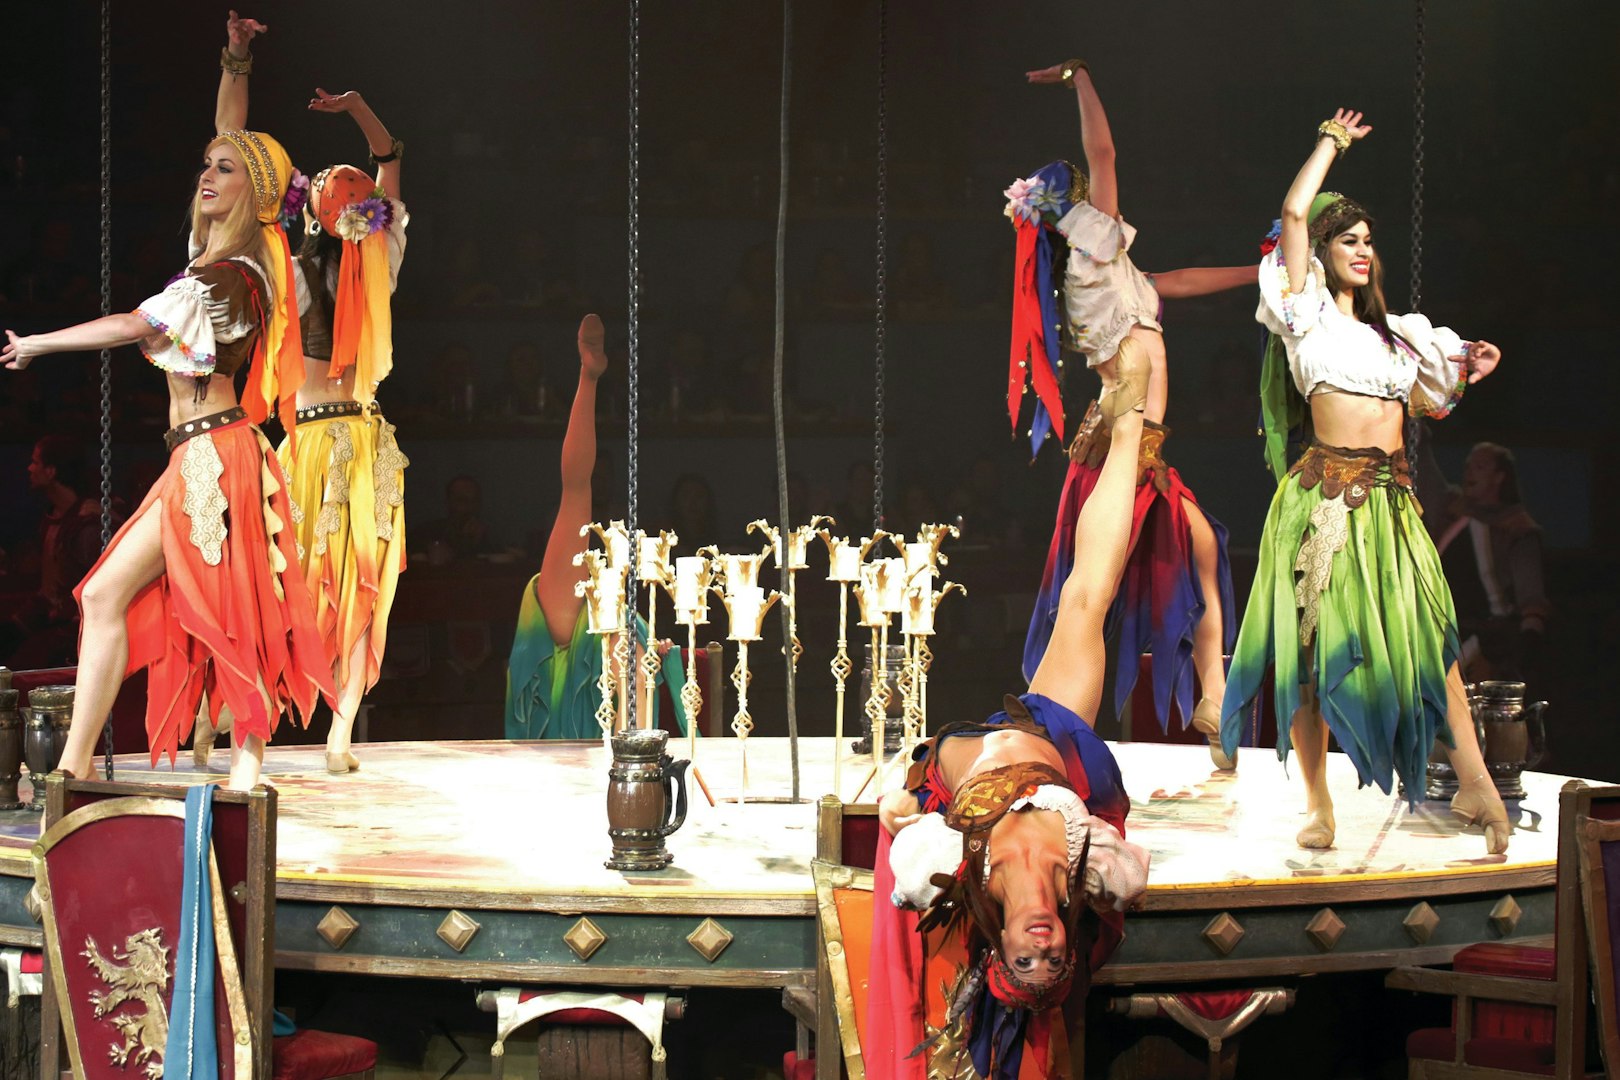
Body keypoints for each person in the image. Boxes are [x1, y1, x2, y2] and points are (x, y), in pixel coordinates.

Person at [2, 35, 331, 789]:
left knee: (229, 617)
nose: (206, 174)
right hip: (198, 457)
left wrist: (38, 345)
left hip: (218, 459)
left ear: (252, 188)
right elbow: (235, 138)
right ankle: (77, 769)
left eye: (223, 170)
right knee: (112, 594)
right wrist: (233, 65)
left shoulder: (234, 276)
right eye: (203, 166)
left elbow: (132, 325)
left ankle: (241, 772)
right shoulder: (209, 261)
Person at [1219, 110, 1509, 854]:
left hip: (1390, 505)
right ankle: (1318, 804)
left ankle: (1474, 782)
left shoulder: (1400, 333)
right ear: (1316, 254)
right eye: (1346, 240)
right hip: (1323, 501)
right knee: (1313, 656)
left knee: (1430, 644)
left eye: (1368, 242)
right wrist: (1331, 142)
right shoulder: (1304, 314)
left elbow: (1431, 396)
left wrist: (1472, 365)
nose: (1361, 250)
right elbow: (1291, 210)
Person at [867, 344, 1153, 1079]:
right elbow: (1132, 870)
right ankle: (1129, 428)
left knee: (1085, 605)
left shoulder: (949, 871)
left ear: (1001, 947)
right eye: (1052, 958)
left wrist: (900, 802)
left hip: (959, 752)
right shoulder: (1093, 873)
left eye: (1026, 958)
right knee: (1090, 597)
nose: (1044, 946)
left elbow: (903, 818)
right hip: (1047, 734)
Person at [1013, 59, 1253, 766]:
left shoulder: (1112, 272)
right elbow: (1105, 152)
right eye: (1093, 199)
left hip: (1142, 444)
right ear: (1080, 213)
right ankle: (1055, 721)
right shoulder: (1092, 253)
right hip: (1120, 443)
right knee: (1096, 591)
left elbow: (1174, 282)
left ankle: (1212, 695)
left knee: (1203, 547)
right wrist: (1082, 80)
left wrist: (1255, 273)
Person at [206, 13, 411, 775]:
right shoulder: (376, 255)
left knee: (325, 581)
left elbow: (242, 157)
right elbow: (388, 163)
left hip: (326, 437)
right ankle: (324, 729)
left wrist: (239, 61)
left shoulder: (289, 262)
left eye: (326, 182)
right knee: (349, 580)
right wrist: (358, 112)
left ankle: (311, 729)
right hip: (355, 437)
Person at [504, 316, 687, 739]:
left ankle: (591, 376)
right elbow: (576, 486)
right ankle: (589, 376)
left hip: (623, 759)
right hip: (566, 634)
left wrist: (662, 662)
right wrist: (589, 378)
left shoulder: (632, 624)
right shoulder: (566, 609)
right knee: (576, 494)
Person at [1428, 443, 1550, 685]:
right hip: (1439, 631)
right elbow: (1424, 468)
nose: (1470, 472)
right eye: (1468, 466)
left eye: (1480, 466)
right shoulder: (1453, 512)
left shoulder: (1516, 528)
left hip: (1489, 643)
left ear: (1499, 477)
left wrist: (1529, 636)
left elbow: (1530, 592)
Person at [0, 436, 109, 668]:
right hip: (46, 613)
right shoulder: (52, 519)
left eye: (35, 462)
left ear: (51, 471)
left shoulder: (86, 525)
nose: (29, 468)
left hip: (74, 627)